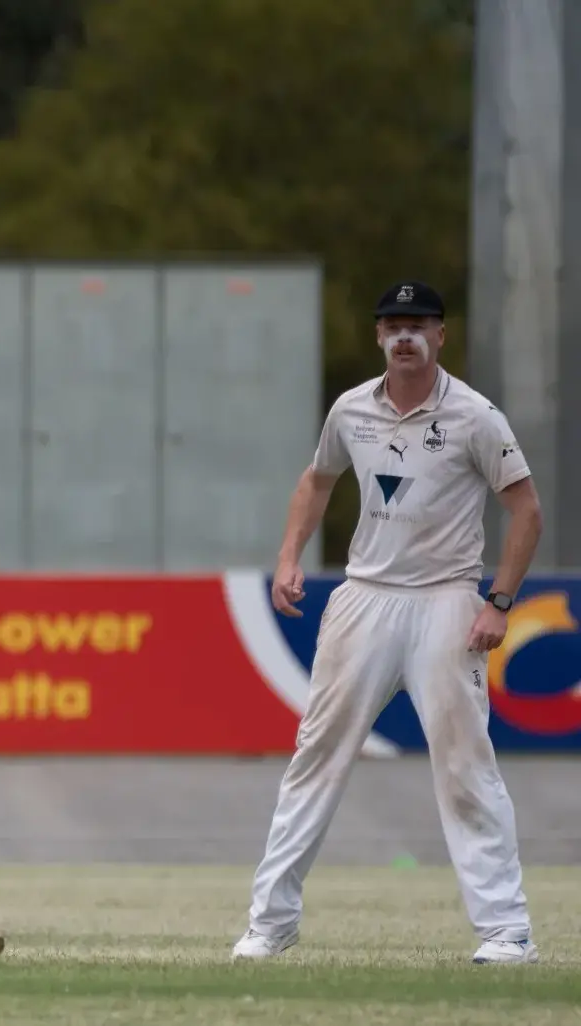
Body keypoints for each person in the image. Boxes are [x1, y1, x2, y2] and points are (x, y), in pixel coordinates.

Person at [235, 281, 543, 965]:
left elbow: (527, 510)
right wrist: (289, 556)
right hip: (365, 597)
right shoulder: (351, 410)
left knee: (465, 762)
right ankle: (270, 921)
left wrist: (499, 602)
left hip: (446, 599)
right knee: (316, 754)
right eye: (393, 326)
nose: (405, 336)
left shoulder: (474, 416)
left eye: (419, 325)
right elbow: (317, 480)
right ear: (378, 337)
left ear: (441, 335)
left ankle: (505, 930)